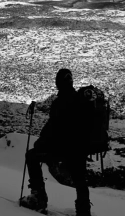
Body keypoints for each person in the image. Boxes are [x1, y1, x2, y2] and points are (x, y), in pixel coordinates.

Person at [20, 68, 92, 216]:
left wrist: (39, 144)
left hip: (63, 149)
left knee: (32, 156)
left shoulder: (60, 102)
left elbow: (52, 129)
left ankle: (38, 198)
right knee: (80, 177)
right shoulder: (80, 100)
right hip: (80, 148)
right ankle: (84, 210)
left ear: (58, 83)